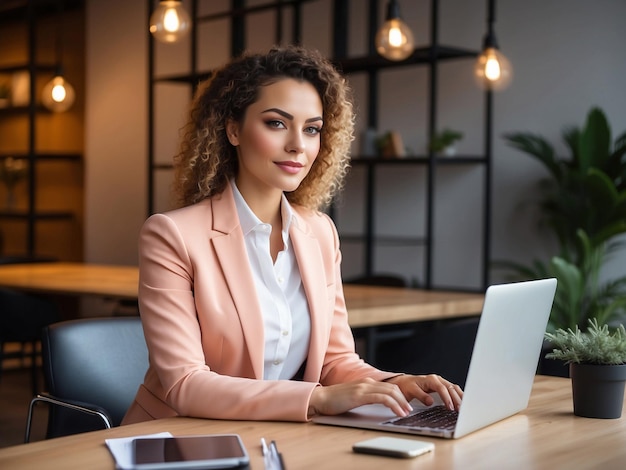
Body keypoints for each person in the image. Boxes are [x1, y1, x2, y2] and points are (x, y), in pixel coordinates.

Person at [122, 45, 462, 425]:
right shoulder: (172, 235)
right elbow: (185, 384)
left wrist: (398, 383)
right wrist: (316, 398)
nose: (298, 145)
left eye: (312, 129)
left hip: (272, 435)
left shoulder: (319, 232)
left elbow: (336, 362)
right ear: (233, 129)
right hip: (175, 439)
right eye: (277, 123)